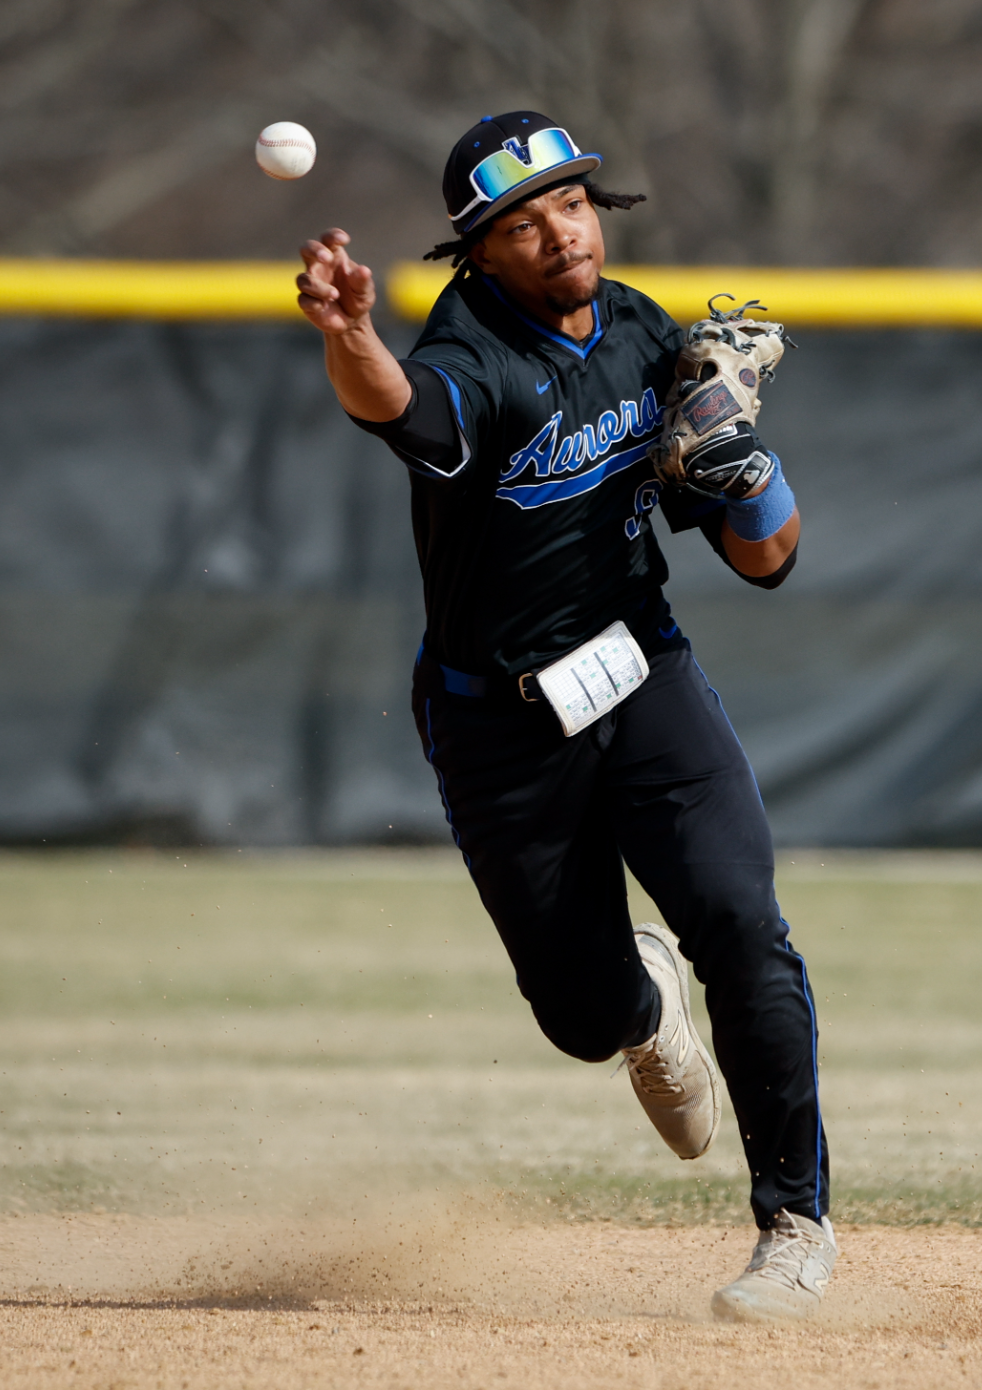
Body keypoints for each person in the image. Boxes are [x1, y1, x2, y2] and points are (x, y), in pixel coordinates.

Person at [293, 111, 833, 1322]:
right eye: (520, 224)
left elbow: (768, 564)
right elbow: (401, 411)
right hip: (500, 723)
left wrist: (752, 468)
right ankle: (640, 1007)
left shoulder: (642, 331)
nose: (556, 233)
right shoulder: (472, 350)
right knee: (584, 1019)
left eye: (570, 205)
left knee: (744, 925)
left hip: (643, 675)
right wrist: (347, 335)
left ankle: (793, 1223)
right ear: (478, 254)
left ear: (599, 209)